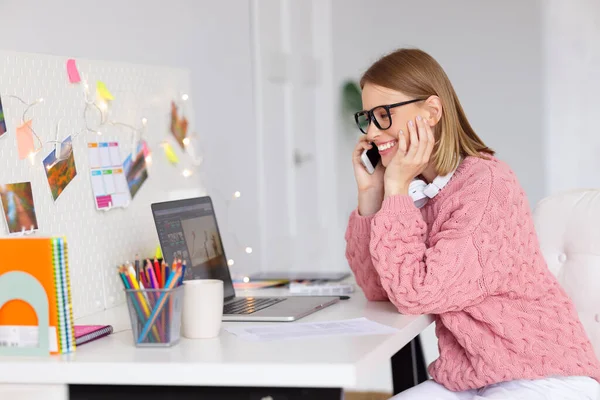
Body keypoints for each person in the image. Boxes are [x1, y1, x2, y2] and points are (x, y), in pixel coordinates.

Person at [345, 48, 600, 399]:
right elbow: (379, 289)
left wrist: (397, 189)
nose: (372, 131)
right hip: (467, 379)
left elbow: (415, 294)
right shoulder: (418, 192)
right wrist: (373, 194)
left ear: (432, 111)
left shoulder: (486, 186)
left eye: (384, 115)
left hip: (543, 377)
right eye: (367, 117)